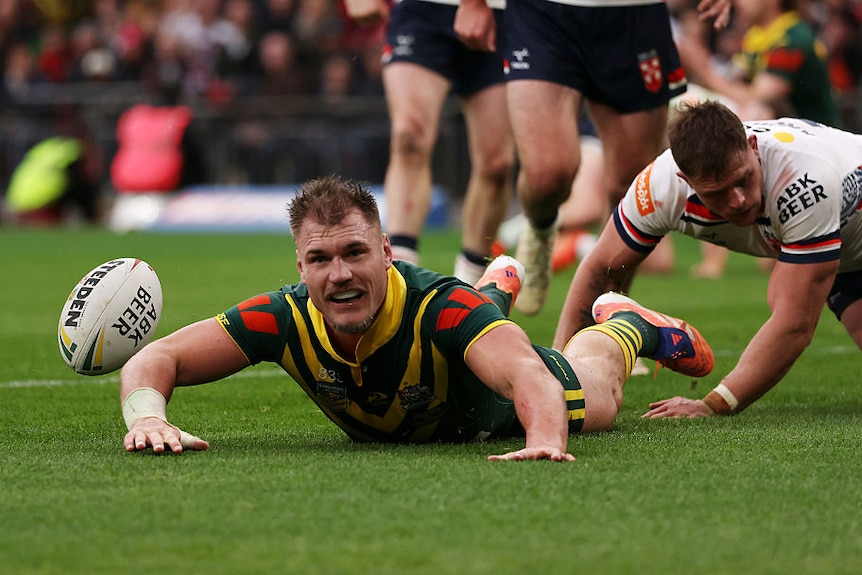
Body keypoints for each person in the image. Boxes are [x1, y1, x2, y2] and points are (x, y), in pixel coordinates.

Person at [119, 175, 714, 460]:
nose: (338, 274)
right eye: (320, 260)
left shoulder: (437, 305)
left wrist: (542, 441)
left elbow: (529, 377)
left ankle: (626, 325)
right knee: (475, 324)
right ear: (300, 266)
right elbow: (158, 357)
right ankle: (494, 290)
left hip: (493, 413)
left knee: (601, 396)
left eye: (355, 253)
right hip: (461, 338)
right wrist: (148, 418)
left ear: (386, 252)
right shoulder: (283, 316)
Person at [554, 100, 862, 418]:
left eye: (743, 180)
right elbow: (600, 271)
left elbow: (795, 323)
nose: (738, 200)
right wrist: (558, 373)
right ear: (685, 180)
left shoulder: (804, 179)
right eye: (718, 192)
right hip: (845, 252)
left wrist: (714, 404)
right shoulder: (660, 187)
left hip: (845, 232)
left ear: (752, 146)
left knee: (787, 296)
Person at [457, 0, 731, 315]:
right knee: (547, 175)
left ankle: (606, 317)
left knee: (629, 188)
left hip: (634, 15)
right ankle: (541, 226)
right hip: (543, 14)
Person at [343, 0, 516, 285]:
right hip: (421, 11)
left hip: (500, 13)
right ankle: (399, 279)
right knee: (409, 136)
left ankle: (468, 288)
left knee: (497, 164)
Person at [687, 0, 842, 279]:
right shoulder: (758, 36)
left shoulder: (794, 38)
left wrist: (703, 70)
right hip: (782, 141)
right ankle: (716, 254)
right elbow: (734, 85)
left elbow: (757, 96)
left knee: (725, 130)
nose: (737, 3)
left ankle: (715, 257)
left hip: (815, 149)